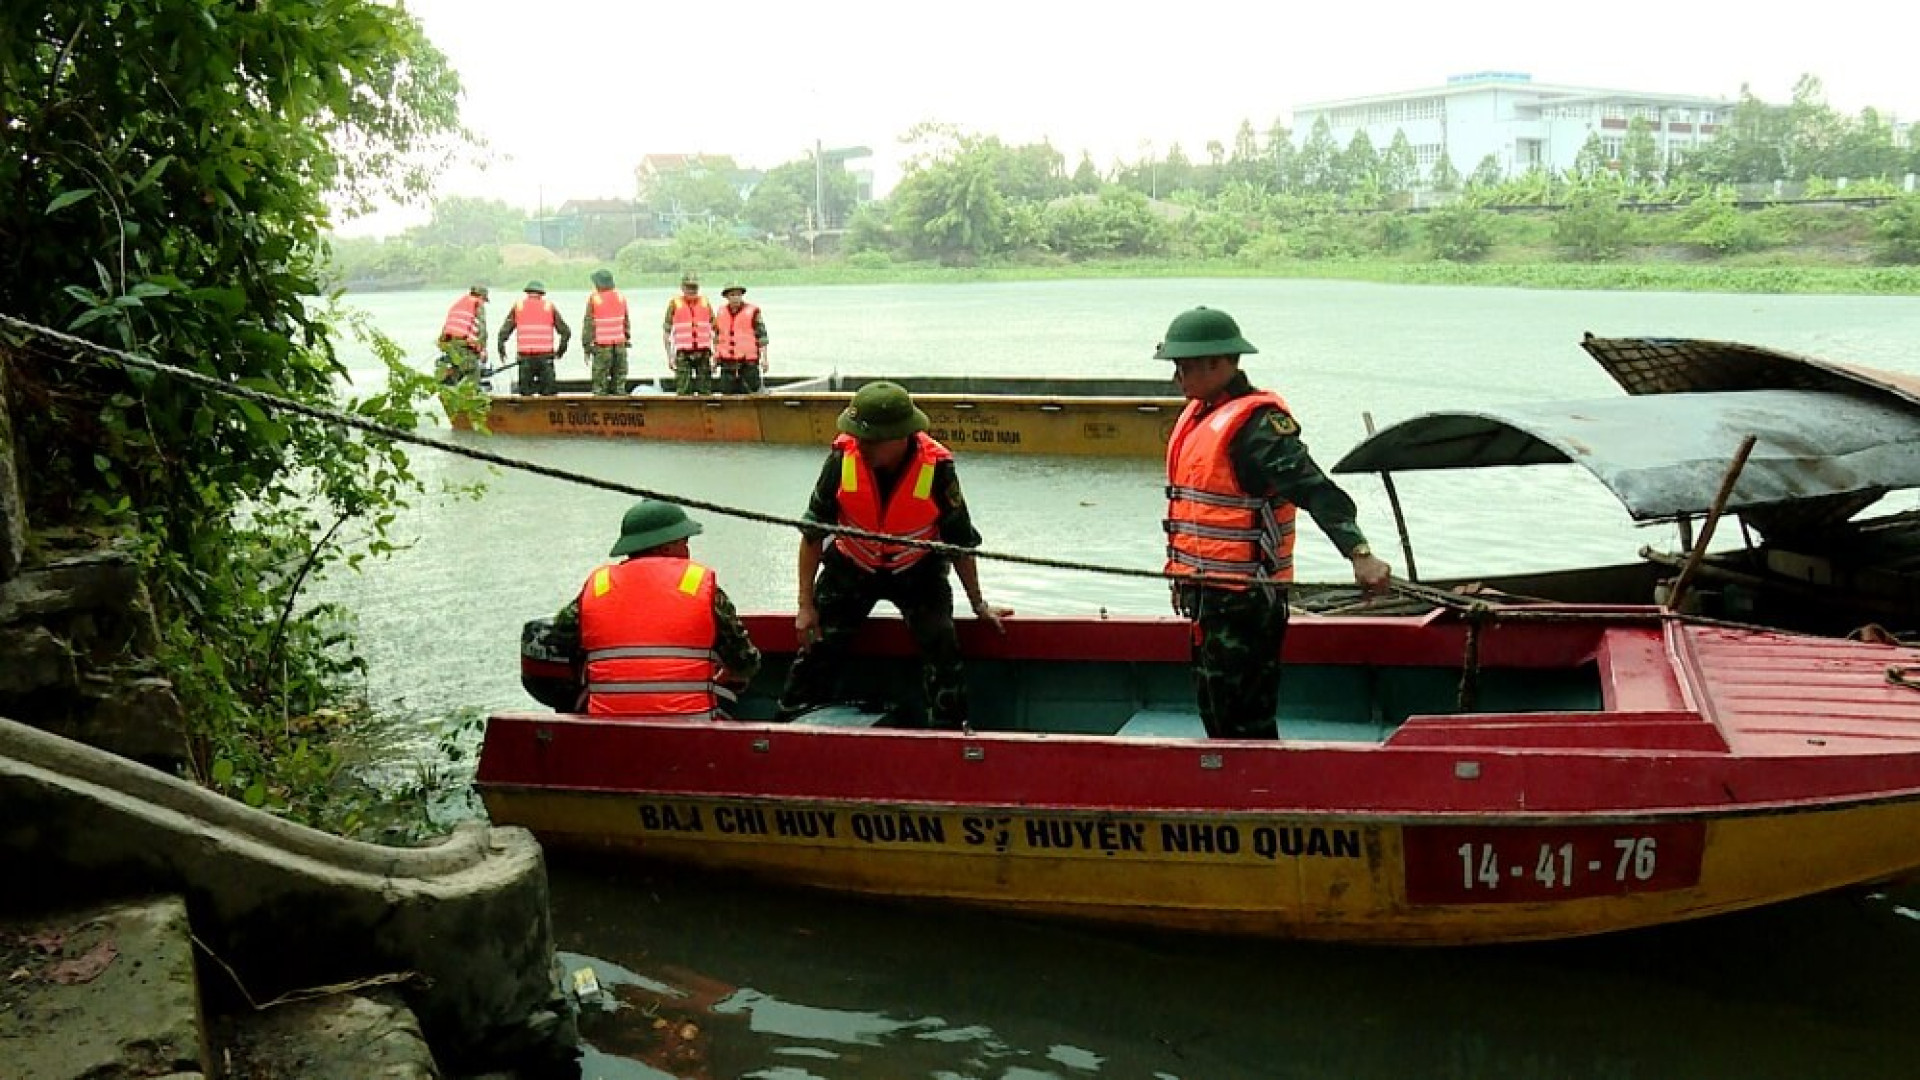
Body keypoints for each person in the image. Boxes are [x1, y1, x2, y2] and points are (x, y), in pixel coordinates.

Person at [1156, 306, 1393, 740]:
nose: (1178, 377)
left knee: (1244, 716)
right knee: (1215, 705)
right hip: (1207, 594)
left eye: (1186, 366)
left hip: (1245, 602)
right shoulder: (1202, 414)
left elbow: (1314, 489)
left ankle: (1256, 793)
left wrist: (1359, 554)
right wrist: (1183, 578)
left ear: (1222, 364)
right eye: (1176, 366)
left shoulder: (1259, 428)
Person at [776, 380, 1007, 728]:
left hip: (917, 570)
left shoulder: (938, 468)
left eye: (870, 440)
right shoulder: (842, 458)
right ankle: (786, 722)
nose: (862, 446)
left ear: (900, 436)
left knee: (942, 646)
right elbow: (812, 534)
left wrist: (978, 603)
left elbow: (960, 541)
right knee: (817, 648)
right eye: (859, 437)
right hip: (851, 565)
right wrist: (805, 605)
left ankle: (949, 733)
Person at [549, 500, 761, 718]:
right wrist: (730, 672)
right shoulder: (697, 583)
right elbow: (745, 661)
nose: (687, 550)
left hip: (609, 728)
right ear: (666, 547)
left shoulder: (599, 585)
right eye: (684, 541)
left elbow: (559, 638)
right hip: (689, 727)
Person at [496, 280, 572, 396]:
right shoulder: (549, 307)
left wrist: (501, 349)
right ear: (542, 293)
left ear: (527, 292)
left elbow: (504, 332)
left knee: (525, 394)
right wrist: (560, 351)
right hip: (545, 357)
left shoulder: (518, 307)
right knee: (548, 393)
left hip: (525, 357)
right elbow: (565, 332)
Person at [663, 272, 715, 396]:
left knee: (705, 390)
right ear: (682, 288)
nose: (691, 290)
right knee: (683, 389)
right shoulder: (674, 303)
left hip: (704, 352)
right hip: (683, 354)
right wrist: (670, 356)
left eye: (694, 287)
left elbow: (716, 330)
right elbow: (666, 332)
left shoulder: (705, 302)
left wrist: (716, 356)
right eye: (688, 287)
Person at [713, 282, 769, 395]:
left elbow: (762, 337)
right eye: (732, 295)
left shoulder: (753, 312)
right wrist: (714, 359)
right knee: (726, 393)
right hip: (727, 363)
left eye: (738, 294)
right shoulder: (721, 312)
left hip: (748, 362)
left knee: (753, 391)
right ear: (727, 297)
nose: (735, 298)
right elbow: (717, 337)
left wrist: (764, 359)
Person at [582, 268, 631, 396]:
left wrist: (586, 345)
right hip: (620, 344)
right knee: (620, 378)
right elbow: (626, 321)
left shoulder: (594, 299)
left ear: (598, 283)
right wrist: (627, 337)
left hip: (602, 346)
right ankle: (620, 401)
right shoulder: (621, 297)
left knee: (600, 380)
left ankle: (601, 405)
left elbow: (588, 324)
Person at [436, 283, 489, 386]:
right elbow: (482, 328)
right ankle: (471, 397)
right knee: (473, 372)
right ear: (481, 296)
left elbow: (447, 326)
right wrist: (482, 349)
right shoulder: (477, 303)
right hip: (464, 345)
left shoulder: (458, 304)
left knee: (457, 370)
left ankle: (450, 393)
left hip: (449, 344)